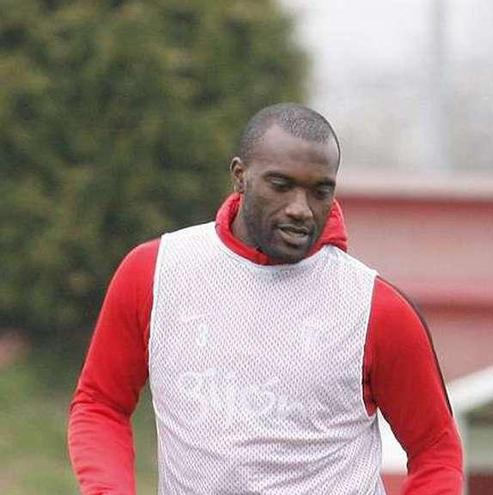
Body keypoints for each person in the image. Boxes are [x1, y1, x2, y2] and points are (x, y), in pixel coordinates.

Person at [68, 103, 463, 494]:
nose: (301, 210)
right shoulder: (154, 272)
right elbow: (101, 405)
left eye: (319, 191)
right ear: (240, 176)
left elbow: (436, 450)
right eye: (281, 185)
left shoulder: (377, 309)